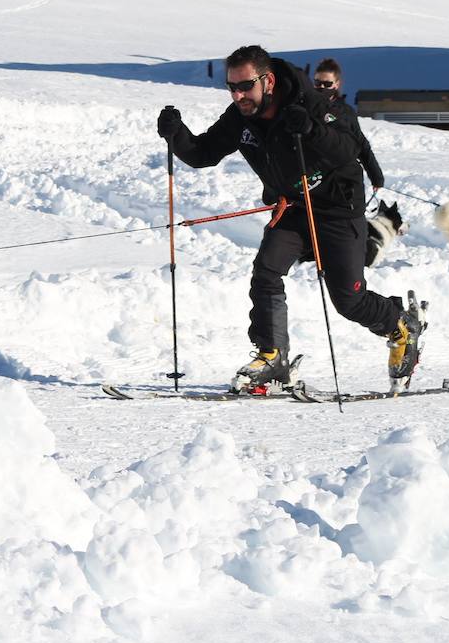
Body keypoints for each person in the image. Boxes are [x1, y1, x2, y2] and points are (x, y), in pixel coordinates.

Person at [156, 46, 424, 393]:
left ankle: (401, 326)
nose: (238, 95)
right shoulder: (241, 115)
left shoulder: (310, 102)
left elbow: (347, 149)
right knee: (267, 271)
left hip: (337, 208)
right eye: (231, 87)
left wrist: (312, 130)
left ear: (267, 80)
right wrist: (176, 134)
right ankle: (272, 357)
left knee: (348, 299)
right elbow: (203, 153)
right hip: (294, 207)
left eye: (245, 86)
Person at [313, 57, 384, 195]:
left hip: (341, 179)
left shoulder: (345, 112)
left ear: (336, 84)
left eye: (327, 84)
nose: (321, 87)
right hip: (314, 178)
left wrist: (376, 177)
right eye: (318, 83)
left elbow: (361, 144)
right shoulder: (306, 108)